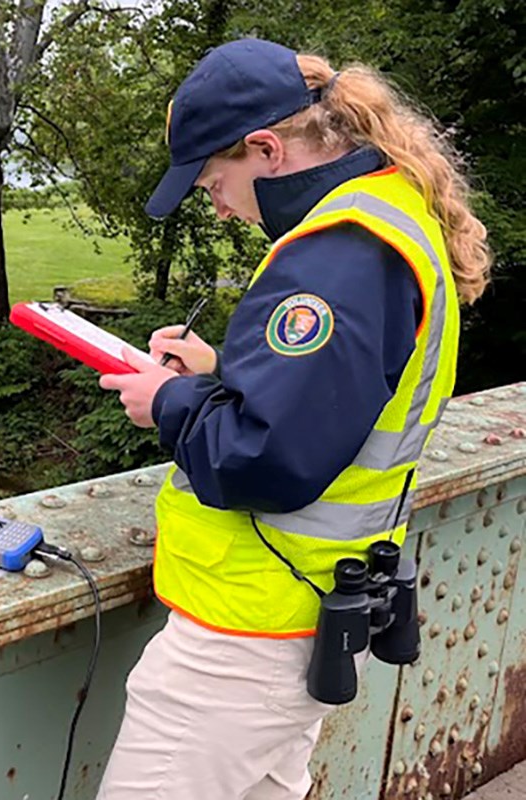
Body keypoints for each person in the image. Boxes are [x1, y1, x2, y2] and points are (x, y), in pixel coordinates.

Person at [96, 38, 491, 800]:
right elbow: (333, 407)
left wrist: (167, 400)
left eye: (214, 181)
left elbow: (264, 460)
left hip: (246, 635)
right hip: (303, 611)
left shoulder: (337, 257)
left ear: (267, 149)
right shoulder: (387, 211)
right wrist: (221, 374)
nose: (215, 203)